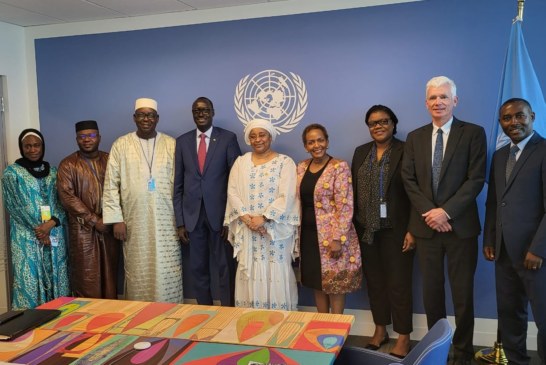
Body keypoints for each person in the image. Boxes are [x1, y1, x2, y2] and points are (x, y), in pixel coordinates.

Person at [401, 76, 486, 365]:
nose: (438, 102)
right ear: (426, 103)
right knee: (432, 294)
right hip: (427, 230)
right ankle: (434, 351)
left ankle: (463, 355)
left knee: (463, 296)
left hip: (460, 229)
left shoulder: (474, 133)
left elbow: (476, 179)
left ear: (455, 101)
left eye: (444, 97)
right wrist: (432, 215)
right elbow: (408, 180)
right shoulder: (414, 137)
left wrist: (446, 212)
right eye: (433, 98)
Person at [484, 98, 546, 365]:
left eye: (519, 116)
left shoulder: (543, 150)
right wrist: (490, 239)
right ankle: (516, 361)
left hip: (535, 254)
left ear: (531, 116)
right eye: (507, 119)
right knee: (510, 314)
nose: (513, 123)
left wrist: (538, 248)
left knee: (544, 317)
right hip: (504, 251)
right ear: (501, 123)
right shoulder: (499, 156)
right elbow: (495, 202)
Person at [102, 98, 182, 303]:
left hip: (167, 220)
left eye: (150, 115)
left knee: (167, 267)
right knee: (138, 268)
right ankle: (139, 316)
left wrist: (181, 221)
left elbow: (181, 185)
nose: (146, 119)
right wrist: (116, 219)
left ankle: (170, 313)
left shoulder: (171, 144)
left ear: (157, 118)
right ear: (134, 118)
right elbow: (111, 184)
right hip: (133, 220)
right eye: (141, 115)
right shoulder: (121, 144)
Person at [352, 105, 414, 358]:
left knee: (399, 284)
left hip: (397, 230)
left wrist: (413, 229)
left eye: (383, 121)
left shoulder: (406, 150)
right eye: (372, 123)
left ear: (393, 124)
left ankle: (403, 336)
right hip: (367, 230)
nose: (377, 126)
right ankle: (380, 330)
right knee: (375, 284)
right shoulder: (360, 152)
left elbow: (415, 192)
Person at [224, 119, 300, 310]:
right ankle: (249, 324)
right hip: (248, 229)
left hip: (274, 231)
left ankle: (280, 323)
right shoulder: (240, 163)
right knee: (250, 270)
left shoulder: (285, 162)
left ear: (270, 137)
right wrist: (246, 218)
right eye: (253, 136)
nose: (258, 139)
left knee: (275, 270)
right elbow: (232, 192)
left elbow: (288, 195)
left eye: (262, 135)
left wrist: (264, 218)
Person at [173, 97, 241, 306]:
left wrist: (230, 219)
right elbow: (178, 184)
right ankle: (205, 311)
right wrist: (180, 222)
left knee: (224, 267)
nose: (200, 114)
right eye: (196, 111)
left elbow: (236, 180)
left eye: (205, 110)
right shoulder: (182, 141)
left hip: (220, 216)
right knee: (198, 268)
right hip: (193, 217)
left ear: (212, 112)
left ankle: (228, 312)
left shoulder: (227, 138)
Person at [296, 123, 361, 315]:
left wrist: (337, 238)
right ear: (305, 146)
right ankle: (321, 328)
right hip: (308, 236)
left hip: (331, 237)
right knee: (318, 282)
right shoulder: (301, 167)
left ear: (327, 141)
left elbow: (346, 205)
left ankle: (336, 332)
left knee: (335, 284)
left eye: (320, 140)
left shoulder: (339, 167)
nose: (316, 145)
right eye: (311, 142)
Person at [2, 129, 70, 309]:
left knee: (58, 277)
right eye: (28, 146)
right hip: (27, 237)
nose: (33, 150)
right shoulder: (11, 173)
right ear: (22, 148)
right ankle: (29, 328)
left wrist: (51, 224)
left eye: (37, 145)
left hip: (54, 235)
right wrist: (40, 230)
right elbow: (14, 206)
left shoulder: (54, 172)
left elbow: (62, 202)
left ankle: (60, 322)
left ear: (43, 146)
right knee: (29, 280)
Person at [57, 120, 120, 299]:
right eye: (82, 137)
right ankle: (86, 321)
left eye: (91, 135)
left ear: (99, 137)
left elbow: (121, 188)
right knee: (87, 278)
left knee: (110, 276)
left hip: (109, 226)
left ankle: (111, 320)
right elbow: (67, 197)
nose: (87, 140)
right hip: (83, 229)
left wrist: (111, 218)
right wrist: (93, 220)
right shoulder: (68, 164)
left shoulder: (110, 159)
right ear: (77, 139)